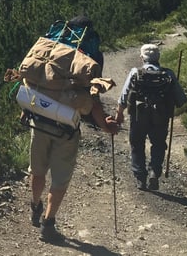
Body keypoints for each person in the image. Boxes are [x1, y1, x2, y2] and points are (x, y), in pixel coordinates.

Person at [25, 17, 120, 243]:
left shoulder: (49, 48)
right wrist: (106, 125)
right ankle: (48, 224)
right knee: (60, 178)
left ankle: (35, 205)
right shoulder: (91, 55)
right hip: (66, 128)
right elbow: (92, 97)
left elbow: (32, 82)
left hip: (38, 120)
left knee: (37, 170)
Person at [114, 43, 187, 191]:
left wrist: (119, 113)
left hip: (138, 115)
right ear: (158, 57)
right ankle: (154, 172)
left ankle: (140, 178)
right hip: (161, 116)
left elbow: (124, 95)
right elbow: (181, 100)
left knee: (137, 144)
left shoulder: (135, 72)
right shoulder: (168, 74)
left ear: (142, 57)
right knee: (158, 144)